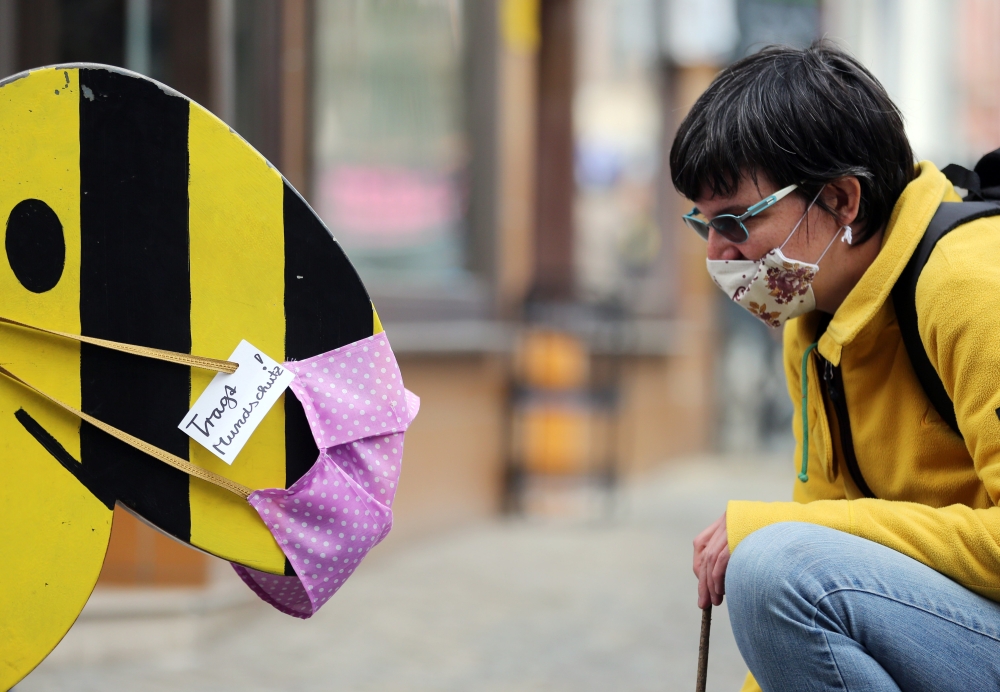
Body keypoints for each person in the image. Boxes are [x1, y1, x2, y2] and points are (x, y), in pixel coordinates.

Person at [670, 43, 1000, 691]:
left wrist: (777, 527)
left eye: (735, 219)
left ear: (842, 200)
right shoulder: (815, 319)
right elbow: (804, 622)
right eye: (703, 224)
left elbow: (801, 560)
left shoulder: (972, 283)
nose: (718, 251)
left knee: (773, 561)